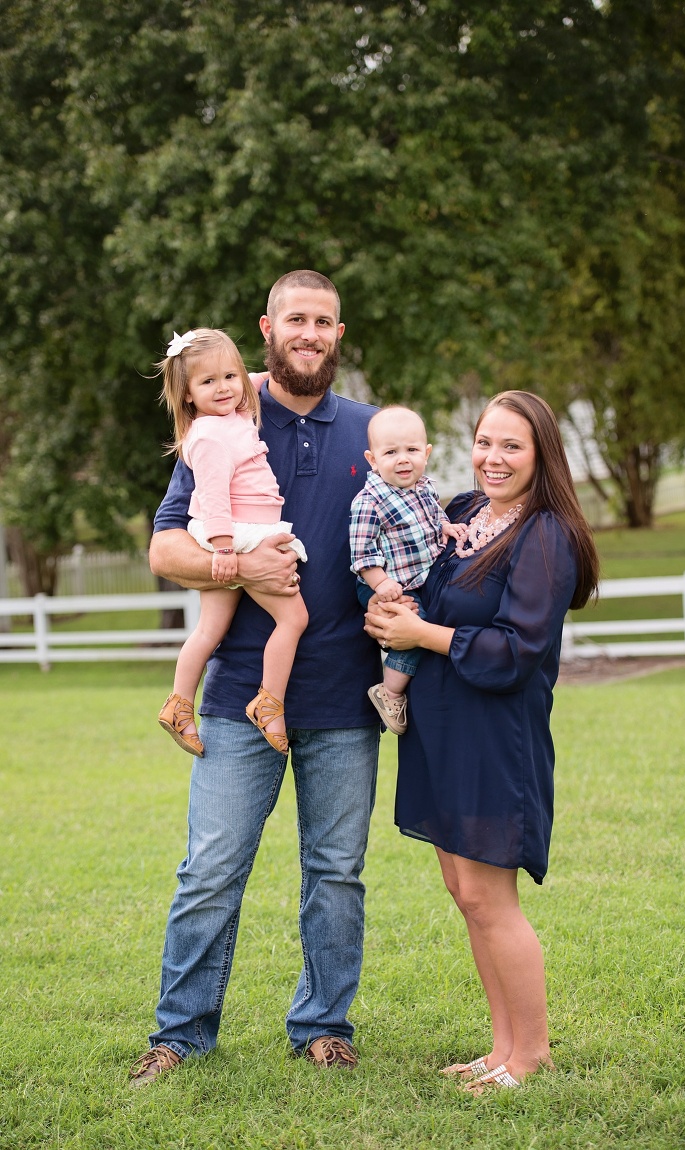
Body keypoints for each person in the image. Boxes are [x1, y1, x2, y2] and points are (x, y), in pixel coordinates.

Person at [129, 271, 383, 1085]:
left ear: (338, 334)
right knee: (210, 870)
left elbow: (411, 527)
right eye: (295, 319)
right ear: (267, 327)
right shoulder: (226, 414)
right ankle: (180, 1035)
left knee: (336, 874)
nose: (309, 333)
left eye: (324, 321)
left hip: (343, 699)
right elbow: (167, 546)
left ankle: (323, 1025)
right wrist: (235, 563)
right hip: (240, 694)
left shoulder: (372, 432)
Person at [364, 391, 600, 1094]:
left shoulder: (547, 535)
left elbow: (516, 650)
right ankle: (499, 1049)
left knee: (492, 898)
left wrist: (421, 636)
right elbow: (414, 573)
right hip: (439, 726)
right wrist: (389, 599)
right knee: (466, 893)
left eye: (512, 447)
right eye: (485, 442)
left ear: (541, 455)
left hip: (496, 733)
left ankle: (530, 1056)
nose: (493, 458)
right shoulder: (461, 511)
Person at [156, 327, 308, 757]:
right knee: (294, 619)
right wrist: (224, 549)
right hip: (237, 533)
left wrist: (258, 374)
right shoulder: (208, 436)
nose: (223, 388)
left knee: (210, 629)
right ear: (186, 394)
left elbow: (258, 378)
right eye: (207, 382)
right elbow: (216, 497)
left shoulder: (235, 413)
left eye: (229, 377)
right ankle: (268, 703)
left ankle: (179, 703)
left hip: (237, 531)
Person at [350, 406, 466, 735]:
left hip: (415, 577)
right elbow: (362, 553)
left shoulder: (425, 487)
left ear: (426, 454)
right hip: (383, 579)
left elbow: (431, 519)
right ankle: (390, 692)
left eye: (412, 450)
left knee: (431, 617)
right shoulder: (369, 500)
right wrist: (380, 583)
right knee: (416, 626)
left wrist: (446, 526)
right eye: (391, 452)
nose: (403, 459)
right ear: (372, 460)